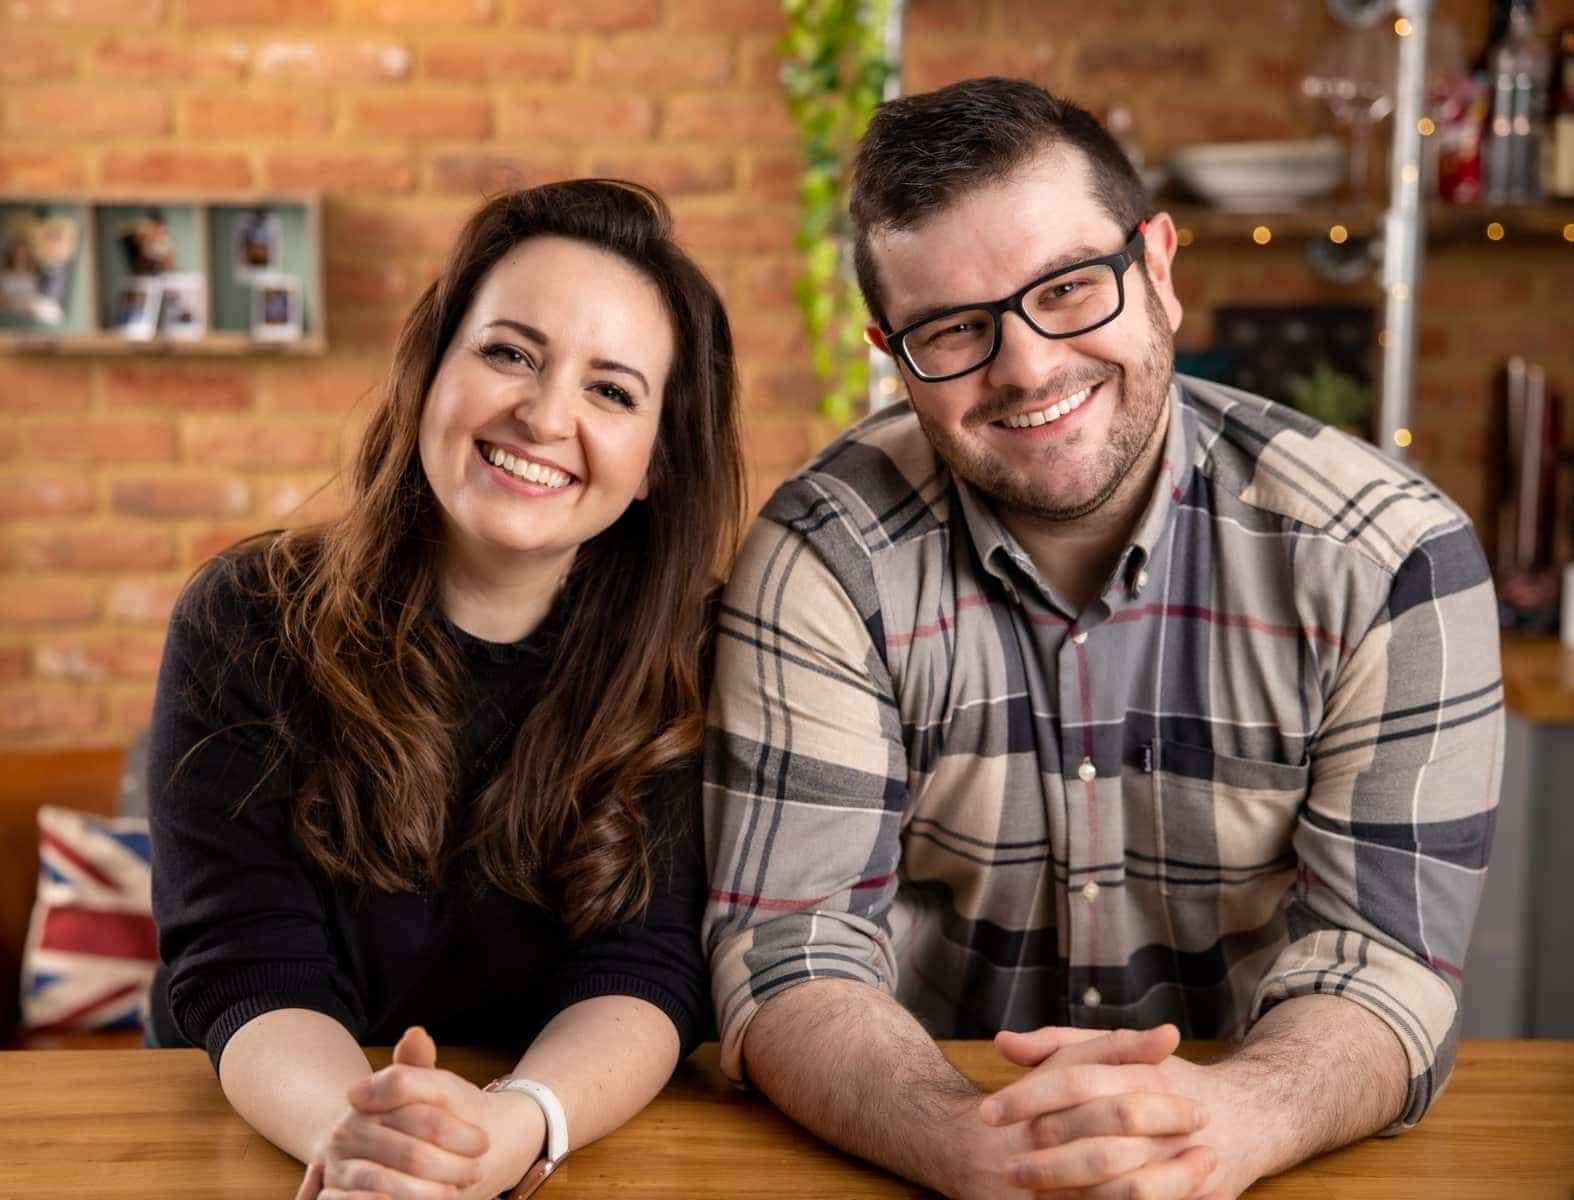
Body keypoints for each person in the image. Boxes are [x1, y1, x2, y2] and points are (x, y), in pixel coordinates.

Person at [703, 77, 1501, 1200]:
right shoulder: (821, 559)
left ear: (1157, 270)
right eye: (953, 329)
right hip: (908, 1158)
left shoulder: (1388, 561)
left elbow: (1383, 962)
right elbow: (790, 949)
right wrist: (966, 1141)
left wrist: (1226, 1122)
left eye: (1067, 289)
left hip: (1258, 1157)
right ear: (893, 351)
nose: (1025, 366)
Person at [147, 179, 743, 1200]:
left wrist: (516, 1127)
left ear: (654, 462)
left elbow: (646, 970)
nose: (543, 414)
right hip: (269, 1143)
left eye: (612, 390)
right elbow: (244, 964)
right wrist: (366, 1144)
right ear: (431, 370)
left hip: (562, 1145)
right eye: (508, 352)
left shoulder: (701, 652)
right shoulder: (243, 618)